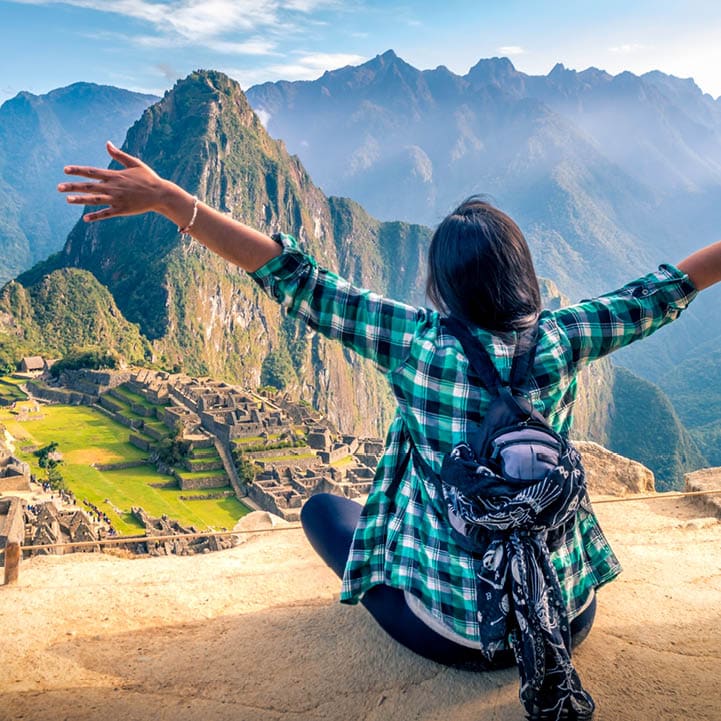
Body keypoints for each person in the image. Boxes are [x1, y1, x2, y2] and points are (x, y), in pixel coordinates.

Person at [58, 141, 719, 719]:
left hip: (456, 635)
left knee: (324, 510)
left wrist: (172, 199)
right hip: (565, 617)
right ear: (523, 277)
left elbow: (293, 276)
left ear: (440, 287)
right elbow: (668, 286)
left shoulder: (413, 344)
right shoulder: (568, 337)